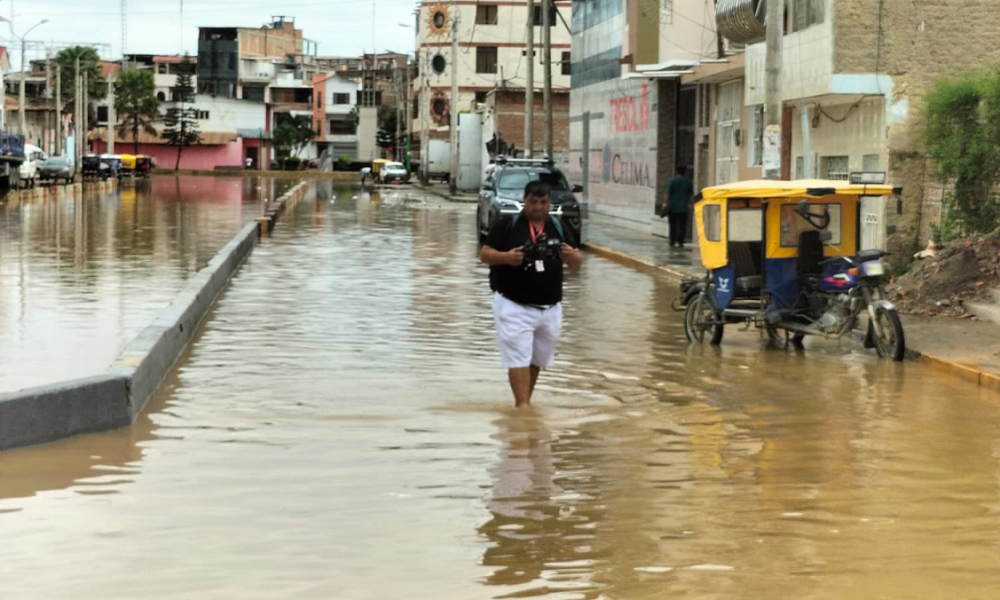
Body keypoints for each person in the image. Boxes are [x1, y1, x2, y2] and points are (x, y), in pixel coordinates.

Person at [480, 181, 583, 408]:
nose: (538, 207)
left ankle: (525, 401)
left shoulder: (557, 226)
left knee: (537, 360)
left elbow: (577, 261)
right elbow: (485, 254)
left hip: (550, 308)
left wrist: (571, 256)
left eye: (543, 202)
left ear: (549, 203)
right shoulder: (508, 224)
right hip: (514, 305)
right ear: (524, 201)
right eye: (533, 202)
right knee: (518, 358)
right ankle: (523, 409)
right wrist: (507, 258)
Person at [661, 165, 694, 248]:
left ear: (676, 171)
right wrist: (691, 204)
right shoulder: (688, 182)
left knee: (672, 225)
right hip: (683, 208)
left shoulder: (672, 181)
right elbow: (690, 195)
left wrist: (665, 204)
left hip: (673, 208)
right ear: (685, 172)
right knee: (682, 226)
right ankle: (680, 241)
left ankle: (672, 240)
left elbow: (667, 193)